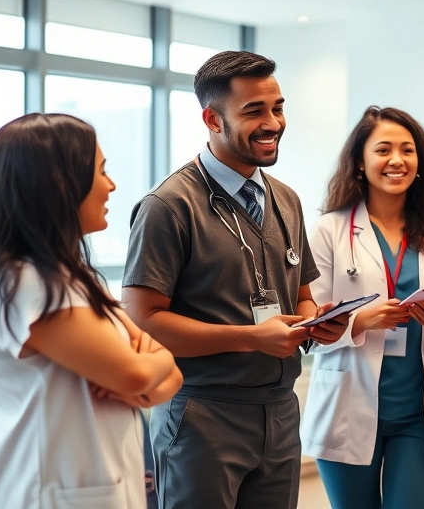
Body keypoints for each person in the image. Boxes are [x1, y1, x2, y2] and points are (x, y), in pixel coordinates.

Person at [121, 51, 347, 509]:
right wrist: (252, 338)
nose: (273, 123)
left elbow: (302, 296)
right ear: (212, 118)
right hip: (202, 412)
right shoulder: (169, 206)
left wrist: (315, 323)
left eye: (277, 107)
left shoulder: (285, 199)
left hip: (279, 411)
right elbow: (143, 320)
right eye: (253, 111)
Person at [0, 113, 182, 509]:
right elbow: (136, 371)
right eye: (101, 172)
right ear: (58, 184)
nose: (111, 185)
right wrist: (152, 364)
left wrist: (154, 365)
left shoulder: (72, 278)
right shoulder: (27, 283)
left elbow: (167, 377)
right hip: (37, 495)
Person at [299, 106, 424, 509]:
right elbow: (311, 322)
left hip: (420, 413)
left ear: (420, 162)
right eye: (383, 149)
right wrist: (361, 321)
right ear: (360, 163)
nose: (397, 160)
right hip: (347, 405)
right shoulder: (330, 229)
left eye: (407, 150)